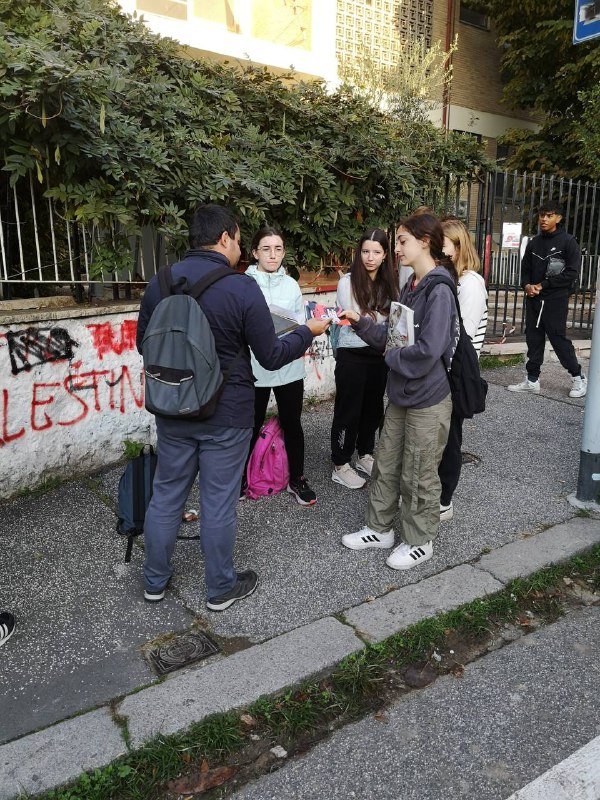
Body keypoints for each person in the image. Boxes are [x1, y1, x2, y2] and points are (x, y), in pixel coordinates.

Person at [136, 204, 330, 611]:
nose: (241, 247)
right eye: (240, 240)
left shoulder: (161, 282)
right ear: (225, 237)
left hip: (172, 408)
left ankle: (154, 580)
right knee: (218, 499)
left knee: (167, 494)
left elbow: (145, 344)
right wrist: (307, 332)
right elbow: (272, 354)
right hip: (226, 414)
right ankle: (220, 587)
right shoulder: (241, 288)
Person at [340, 213, 458, 570]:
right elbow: (394, 338)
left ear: (425, 242)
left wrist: (391, 354)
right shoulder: (410, 287)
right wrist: (360, 322)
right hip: (402, 395)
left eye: (403, 241)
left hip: (428, 399)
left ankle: (420, 541)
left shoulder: (439, 291)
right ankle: (380, 529)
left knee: (420, 472)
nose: (397, 250)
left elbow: (425, 352)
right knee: (387, 464)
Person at [243, 224, 316, 506]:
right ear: (254, 252)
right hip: (255, 366)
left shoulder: (291, 284)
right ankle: (242, 477)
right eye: (266, 249)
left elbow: (300, 326)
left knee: (292, 424)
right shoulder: (245, 284)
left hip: (288, 366)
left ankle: (296, 478)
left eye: (278, 249)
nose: (273, 255)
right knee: (249, 424)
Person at [330, 228, 399, 490]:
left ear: (384, 256)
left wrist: (370, 320)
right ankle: (340, 463)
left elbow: (388, 320)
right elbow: (353, 318)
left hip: (378, 354)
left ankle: (365, 454)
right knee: (348, 409)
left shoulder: (390, 283)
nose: (370, 257)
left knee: (373, 408)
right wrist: (372, 321)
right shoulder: (347, 282)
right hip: (352, 353)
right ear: (358, 253)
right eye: (365, 251)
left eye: (376, 252)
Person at [508, 201, 586, 398]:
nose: (544, 219)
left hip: (555, 300)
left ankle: (578, 378)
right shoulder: (534, 242)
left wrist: (543, 285)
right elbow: (525, 270)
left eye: (549, 215)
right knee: (533, 339)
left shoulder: (568, 242)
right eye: (542, 215)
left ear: (558, 218)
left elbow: (571, 273)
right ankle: (532, 380)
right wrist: (527, 286)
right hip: (533, 299)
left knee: (558, 340)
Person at [437, 218, 488, 521]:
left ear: (455, 247)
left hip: (457, 371)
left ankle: (445, 499)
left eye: (440, 242)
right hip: (446, 369)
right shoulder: (451, 279)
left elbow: (463, 337)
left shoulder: (469, 283)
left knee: (451, 437)